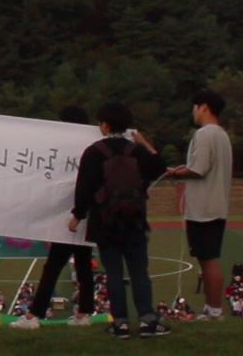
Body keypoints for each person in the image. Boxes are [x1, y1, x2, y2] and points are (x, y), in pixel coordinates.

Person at [68, 103, 169, 339]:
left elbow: (83, 188)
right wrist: (144, 142)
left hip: (105, 222)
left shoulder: (94, 152)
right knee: (139, 272)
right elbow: (159, 167)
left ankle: (120, 323)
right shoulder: (135, 151)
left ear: (104, 125)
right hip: (134, 220)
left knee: (113, 273)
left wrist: (77, 215)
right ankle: (147, 320)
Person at [10, 106, 96, 330]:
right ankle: (84, 314)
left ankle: (34, 316)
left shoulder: (68, 146)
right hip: (82, 215)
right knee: (83, 266)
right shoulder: (92, 146)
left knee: (54, 267)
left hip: (70, 217)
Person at [166, 90, 232, 321]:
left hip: (204, 209)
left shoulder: (205, 134)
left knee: (208, 259)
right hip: (215, 205)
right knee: (207, 258)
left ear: (203, 107)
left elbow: (197, 169)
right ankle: (211, 308)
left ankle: (214, 311)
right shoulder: (222, 134)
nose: (193, 112)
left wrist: (173, 173)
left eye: (195, 107)